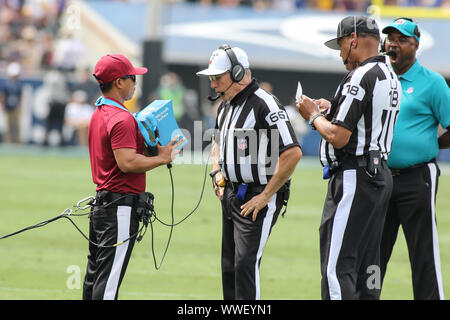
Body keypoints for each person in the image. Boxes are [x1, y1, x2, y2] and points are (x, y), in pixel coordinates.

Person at [297, 16, 401, 300]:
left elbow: (339, 136)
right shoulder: (389, 74)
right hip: (380, 174)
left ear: (353, 40)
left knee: (337, 266)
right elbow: (367, 120)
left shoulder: (361, 75)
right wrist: (333, 108)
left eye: (341, 44)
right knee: (369, 264)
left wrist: (313, 115)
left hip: (356, 176)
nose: (340, 52)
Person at [196, 45, 302, 300]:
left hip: (256, 197)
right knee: (230, 267)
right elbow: (217, 142)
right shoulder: (225, 106)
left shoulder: (264, 104)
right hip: (231, 195)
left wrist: (265, 196)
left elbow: (292, 152)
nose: (213, 84)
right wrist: (216, 173)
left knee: (245, 265)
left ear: (237, 73)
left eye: (217, 77)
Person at [83, 54, 184, 300]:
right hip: (118, 207)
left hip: (104, 205)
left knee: (94, 277)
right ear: (119, 82)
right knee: (108, 283)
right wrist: (162, 158)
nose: (135, 82)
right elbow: (127, 163)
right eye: (132, 78)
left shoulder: (100, 111)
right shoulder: (122, 118)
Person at [379, 18, 450, 300]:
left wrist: (428, 144)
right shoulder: (378, 77)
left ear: (415, 45)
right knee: (374, 249)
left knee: (422, 251)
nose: (392, 44)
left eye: (401, 39)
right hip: (380, 177)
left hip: (416, 177)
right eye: (390, 38)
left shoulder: (432, 83)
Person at [1, 62, 23, 143]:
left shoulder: (18, 84)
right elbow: (3, 96)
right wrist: (3, 106)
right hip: (8, 107)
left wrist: (19, 106)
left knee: (16, 125)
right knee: (7, 126)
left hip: (15, 107)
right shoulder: (6, 84)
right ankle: (8, 141)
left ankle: (17, 141)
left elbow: (20, 97)